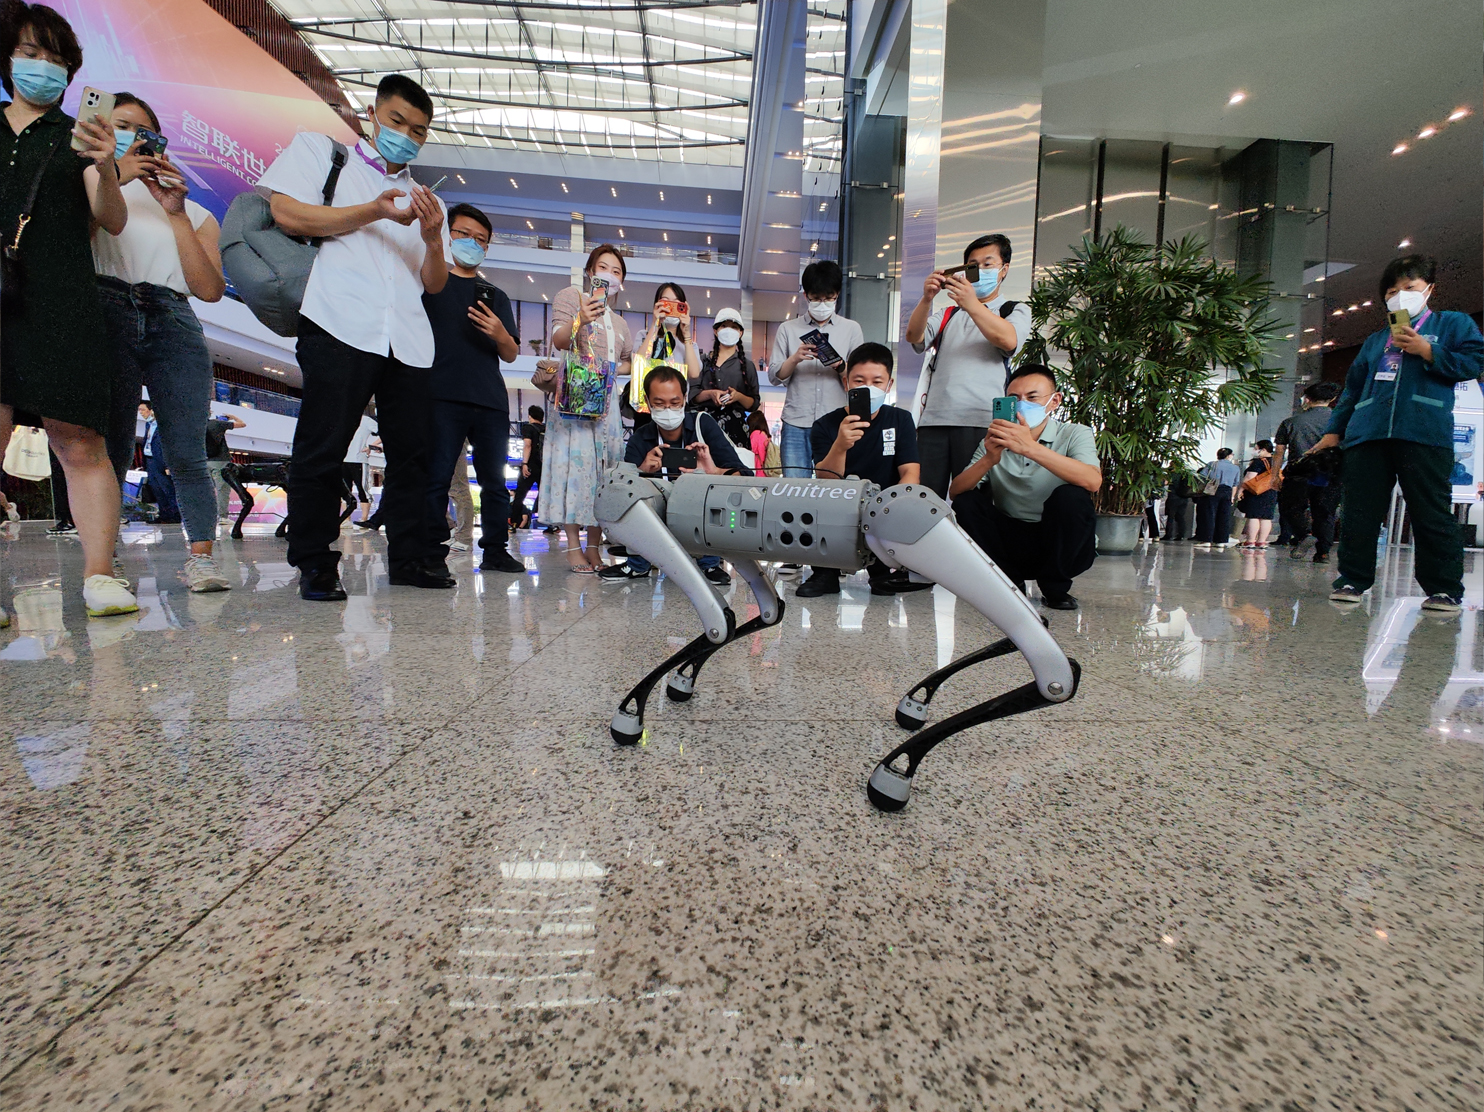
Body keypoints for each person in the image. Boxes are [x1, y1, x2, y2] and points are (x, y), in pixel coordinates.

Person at [256, 73, 450, 601]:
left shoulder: (428, 200)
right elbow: (286, 211)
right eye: (397, 122)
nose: (406, 136)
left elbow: (434, 282)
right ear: (372, 113)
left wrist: (432, 238)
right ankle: (316, 562)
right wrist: (373, 210)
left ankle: (411, 557)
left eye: (418, 131)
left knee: (412, 453)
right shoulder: (325, 154)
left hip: (406, 337)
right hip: (339, 321)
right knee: (322, 446)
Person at [0, 2, 137, 616]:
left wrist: (106, 165)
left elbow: (111, 218)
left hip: (62, 302)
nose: (43, 70)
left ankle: (102, 575)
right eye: (30, 54)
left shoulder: (76, 138)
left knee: (81, 442)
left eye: (57, 61)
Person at [95, 92, 231, 592]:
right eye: (120, 126)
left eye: (141, 129)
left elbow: (210, 289)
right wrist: (117, 175)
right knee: (108, 445)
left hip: (173, 316)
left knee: (187, 449)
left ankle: (200, 557)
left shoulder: (195, 214)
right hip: (105, 305)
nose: (131, 137)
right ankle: (102, 557)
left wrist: (175, 212)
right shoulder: (91, 184)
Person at [1315, 254, 1484, 610]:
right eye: (1393, 290)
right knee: (1360, 511)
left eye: (1410, 287)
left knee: (1431, 512)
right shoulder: (1377, 340)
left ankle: (1443, 588)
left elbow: (1474, 362)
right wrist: (1334, 431)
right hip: (1368, 434)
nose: (1400, 295)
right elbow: (1352, 389)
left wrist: (1429, 350)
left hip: (1423, 432)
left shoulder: (1452, 324)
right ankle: (1351, 580)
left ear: (1429, 289)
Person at [420, 201, 523, 575]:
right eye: (463, 234)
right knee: (438, 477)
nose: (472, 243)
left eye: (480, 240)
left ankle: (495, 550)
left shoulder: (495, 295)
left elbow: (511, 353)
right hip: (441, 393)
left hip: (490, 400)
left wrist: (499, 333)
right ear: (448, 235)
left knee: (494, 483)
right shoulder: (430, 284)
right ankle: (432, 553)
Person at [948, 364, 1101, 610]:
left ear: (1054, 401)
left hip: (1059, 541)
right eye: (1014, 399)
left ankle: (1055, 587)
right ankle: (1010, 582)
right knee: (967, 501)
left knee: (1071, 496)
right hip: (1011, 540)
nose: (1022, 405)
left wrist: (1029, 447)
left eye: (1032, 398)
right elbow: (955, 492)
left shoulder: (1074, 433)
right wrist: (989, 459)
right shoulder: (994, 440)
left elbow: (1092, 481)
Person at [906, 233, 1033, 498]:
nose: (981, 270)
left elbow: (1008, 340)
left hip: (981, 420)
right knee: (924, 499)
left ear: (1004, 269)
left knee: (971, 500)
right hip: (934, 421)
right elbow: (914, 338)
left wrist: (972, 303)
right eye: (974, 265)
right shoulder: (949, 314)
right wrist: (927, 298)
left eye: (988, 264)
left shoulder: (1013, 309)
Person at [598, 365, 747, 584]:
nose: (668, 409)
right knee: (629, 496)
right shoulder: (642, 436)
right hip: (660, 507)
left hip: (700, 506)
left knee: (714, 493)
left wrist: (713, 471)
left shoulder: (702, 425)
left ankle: (709, 564)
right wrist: (641, 471)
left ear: (685, 399)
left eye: (675, 403)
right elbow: (622, 489)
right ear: (648, 402)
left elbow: (742, 475)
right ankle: (638, 564)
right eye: (659, 404)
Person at [798, 342, 924, 598]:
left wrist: (889, 505)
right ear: (846, 384)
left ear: (889, 386)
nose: (868, 388)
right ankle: (825, 573)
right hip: (839, 503)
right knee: (816, 500)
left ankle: (882, 572)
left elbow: (910, 473)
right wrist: (841, 446)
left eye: (877, 381)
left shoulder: (900, 419)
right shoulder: (825, 425)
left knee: (911, 500)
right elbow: (825, 479)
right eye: (859, 381)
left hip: (884, 503)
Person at [543, 243, 633, 573]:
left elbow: (627, 364)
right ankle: (573, 546)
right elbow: (560, 340)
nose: (609, 275)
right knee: (574, 470)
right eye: (604, 267)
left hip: (606, 406)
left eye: (617, 271)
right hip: (575, 399)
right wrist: (581, 319)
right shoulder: (571, 296)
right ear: (590, 271)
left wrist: (611, 369)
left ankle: (595, 545)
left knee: (604, 475)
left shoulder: (621, 323)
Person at [768, 260, 863, 477]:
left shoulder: (851, 329)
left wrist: (839, 365)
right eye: (816, 298)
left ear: (837, 294)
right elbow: (774, 376)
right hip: (796, 421)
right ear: (806, 296)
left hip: (835, 421)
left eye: (829, 298)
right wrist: (795, 358)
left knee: (834, 484)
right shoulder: (788, 329)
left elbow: (858, 379)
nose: (822, 303)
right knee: (794, 487)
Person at [1273, 382, 1341, 563]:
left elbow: (1279, 452)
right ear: (1332, 399)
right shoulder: (1340, 420)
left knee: (1290, 507)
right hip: (1330, 473)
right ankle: (1323, 553)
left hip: (1299, 471)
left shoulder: (1291, 422)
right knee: (1325, 512)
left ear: (1307, 399)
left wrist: (1275, 476)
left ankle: (1303, 535)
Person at [689, 307, 758, 450]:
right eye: (724, 326)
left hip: (736, 428)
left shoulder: (747, 366)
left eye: (734, 327)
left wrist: (738, 396)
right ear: (715, 330)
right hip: (704, 424)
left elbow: (754, 403)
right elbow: (692, 395)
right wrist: (710, 393)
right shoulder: (703, 361)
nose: (729, 330)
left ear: (741, 333)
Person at [136, 400, 178, 522]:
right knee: (156, 489)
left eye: (143, 410)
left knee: (167, 489)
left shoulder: (163, 425)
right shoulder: (148, 425)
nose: (141, 413)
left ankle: (174, 515)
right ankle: (164, 515)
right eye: (139, 410)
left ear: (152, 410)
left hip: (161, 461)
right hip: (150, 461)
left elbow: (167, 445)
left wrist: (168, 464)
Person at [1192, 448, 1241, 549]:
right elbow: (1235, 484)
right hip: (1227, 491)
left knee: (1209, 515)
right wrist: (1232, 497)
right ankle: (1221, 541)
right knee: (1224, 516)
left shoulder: (1212, 464)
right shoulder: (1235, 468)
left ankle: (1206, 540)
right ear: (1229, 456)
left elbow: (1202, 476)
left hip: (1213, 490)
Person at [204, 409, 245, 521]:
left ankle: (206, 517)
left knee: (205, 490)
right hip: (220, 460)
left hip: (203, 461)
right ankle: (222, 517)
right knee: (222, 489)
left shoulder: (194, 426)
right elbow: (242, 424)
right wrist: (232, 416)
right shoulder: (217, 423)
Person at [1237, 440, 1277, 548]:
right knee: (1266, 518)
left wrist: (1240, 490)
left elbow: (1250, 477)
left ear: (1263, 450)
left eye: (1256, 448)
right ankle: (1262, 542)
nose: (1254, 451)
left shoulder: (1259, 462)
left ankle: (1250, 541)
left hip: (1256, 492)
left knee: (1253, 516)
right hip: (1271, 492)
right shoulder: (1276, 461)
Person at [509, 404, 543, 529]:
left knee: (520, 495)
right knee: (545, 494)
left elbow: (527, 445)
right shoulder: (546, 429)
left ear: (530, 416)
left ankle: (514, 523)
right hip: (543, 468)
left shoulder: (528, 428)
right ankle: (550, 524)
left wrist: (524, 463)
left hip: (530, 467)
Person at [1163, 469, 1195, 542]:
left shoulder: (1173, 475)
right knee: (1180, 517)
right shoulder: (1185, 474)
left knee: (1171, 516)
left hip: (1173, 497)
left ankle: (1168, 534)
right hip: (1184, 498)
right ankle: (1181, 535)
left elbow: (1166, 483)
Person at [747, 410, 773, 476]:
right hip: (766, 472)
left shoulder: (755, 434)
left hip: (758, 471)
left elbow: (751, 452)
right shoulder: (765, 436)